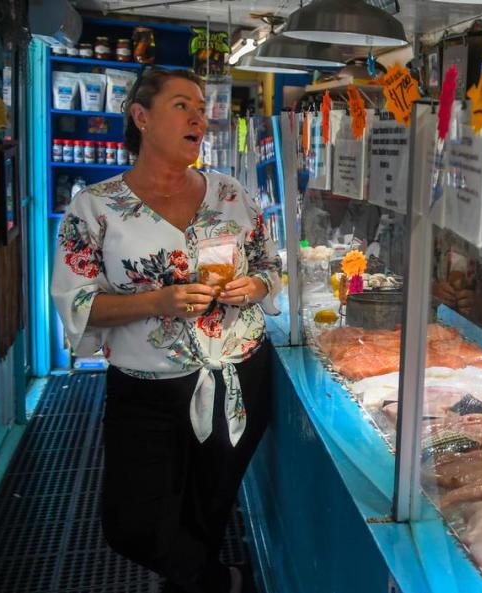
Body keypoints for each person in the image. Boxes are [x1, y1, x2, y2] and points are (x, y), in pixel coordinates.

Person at [51, 68, 281, 593]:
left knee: (207, 510)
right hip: (146, 389)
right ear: (141, 117)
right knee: (132, 525)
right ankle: (219, 581)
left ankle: (198, 585)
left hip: (239, 378)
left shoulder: (231, 194)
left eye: (201, 106)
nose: (199, 116)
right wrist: (156, 300)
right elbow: (77, 303)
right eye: (182, 105)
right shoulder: (95, 207)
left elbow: (269, 265)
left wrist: (256, 287)